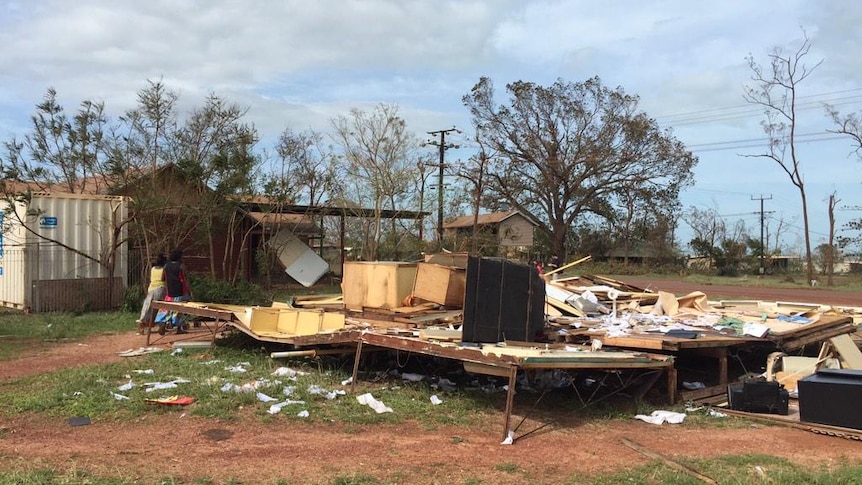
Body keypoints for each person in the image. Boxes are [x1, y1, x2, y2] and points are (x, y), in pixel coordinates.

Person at [159, 249, 192, 335]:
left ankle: (163, 322)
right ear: (179, 257)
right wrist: (190, 291)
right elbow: (186, 280)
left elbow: (162, 278)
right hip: (181, 291)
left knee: (168, 308)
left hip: (170, 291)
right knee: (180, 309)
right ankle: (179, 328)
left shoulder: (166, 266)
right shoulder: (181, 266)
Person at [136, 253, 167, 335]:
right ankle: (159, 324)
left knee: (147, 306)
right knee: (159, 308)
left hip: (151, 288)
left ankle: (142, 323)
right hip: (160, 289)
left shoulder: (153, 268)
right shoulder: (164, 269)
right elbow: (164, 279)